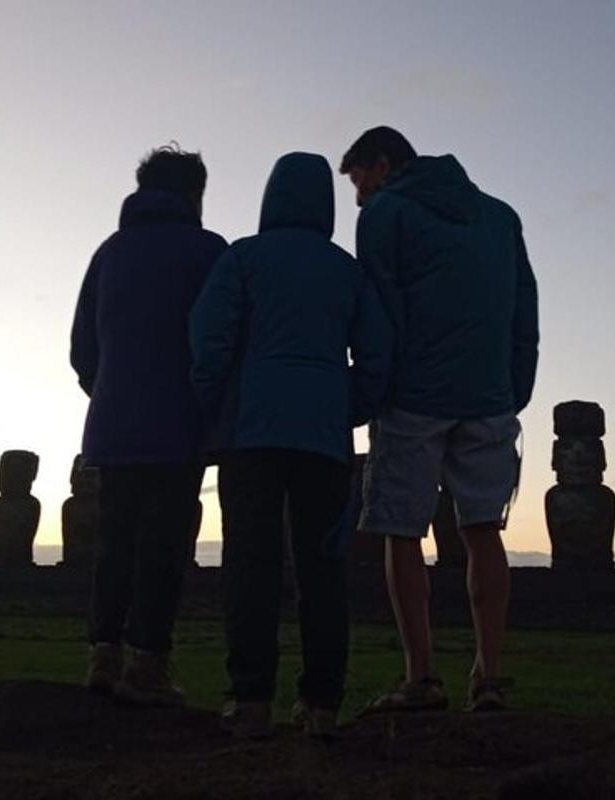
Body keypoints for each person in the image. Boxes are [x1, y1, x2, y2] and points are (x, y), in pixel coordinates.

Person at [189, 152, 392, 738]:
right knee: (322, 569)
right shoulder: (347, 271)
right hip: (324, 439)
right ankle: (321, 703)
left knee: (249, 564)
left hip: (251, 433)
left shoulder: (243, 258)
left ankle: (250, 699)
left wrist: (215, 404)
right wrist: (344, 406)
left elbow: (208, 338)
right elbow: (377, 357)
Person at [340, 126, 539, 713]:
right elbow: (523, 306)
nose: (358, 197)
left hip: (413, 396)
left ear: (382, 165)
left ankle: (421, 676)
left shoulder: (386, 214)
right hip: (489, 394)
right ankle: (489, 676)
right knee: (483, 530)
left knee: (400, 529)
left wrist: (373, 390)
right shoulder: (500, 216)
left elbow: (379, 309)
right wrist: (514, 386)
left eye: (360, 181)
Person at [70, 144, 227, 706]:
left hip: (113, 424)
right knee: (163, 546)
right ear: (193, 195)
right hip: (179, 425)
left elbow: (81, 349)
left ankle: (102, 656)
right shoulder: (210, 252)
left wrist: (110, 391)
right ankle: (147, 665)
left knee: (114, 543)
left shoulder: (109, 253)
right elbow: (225, 339)